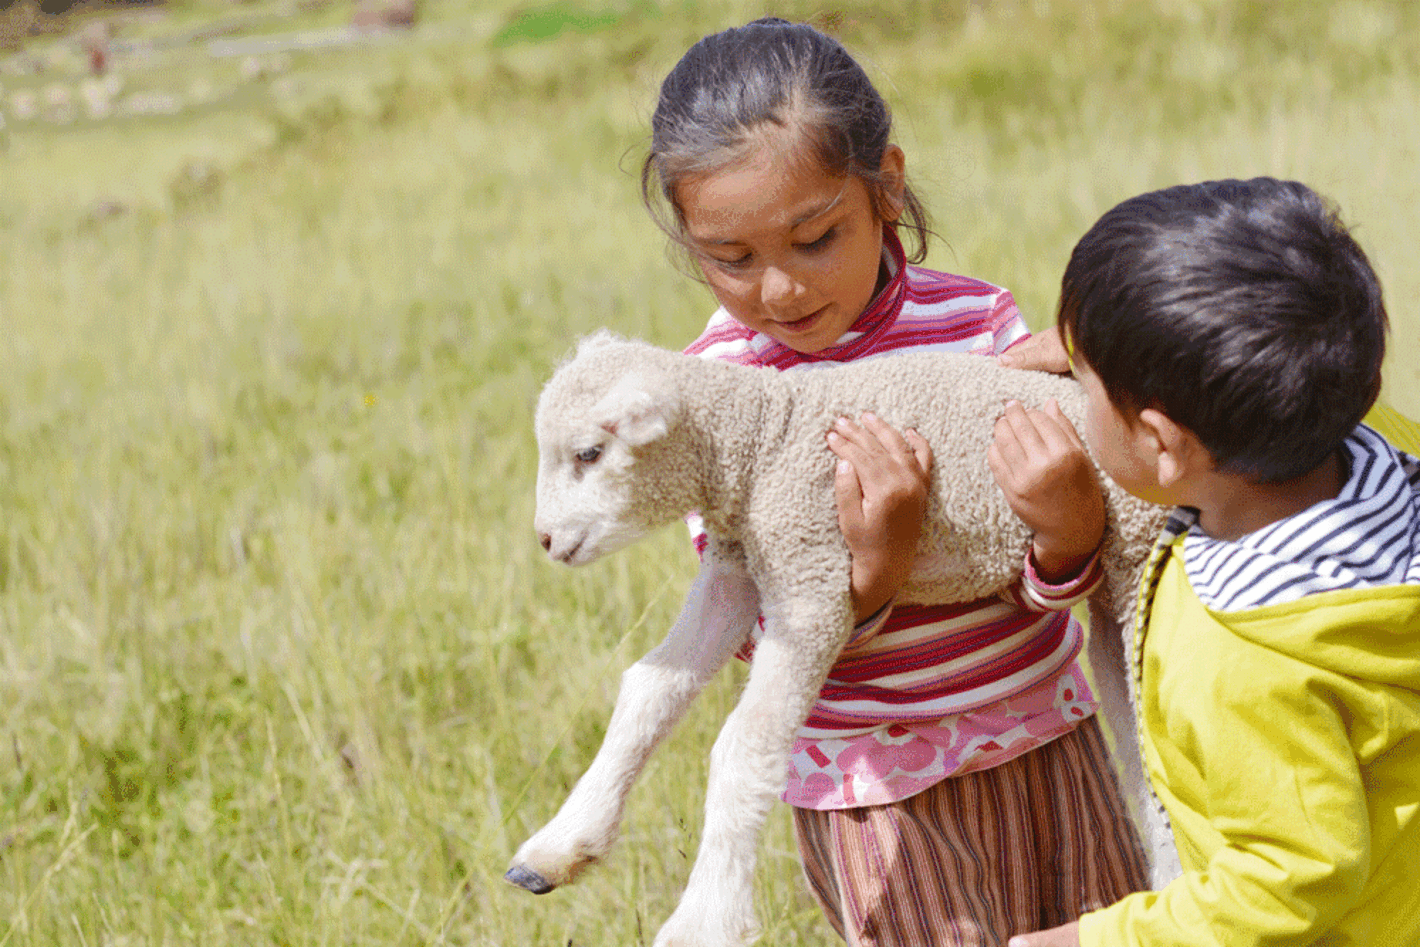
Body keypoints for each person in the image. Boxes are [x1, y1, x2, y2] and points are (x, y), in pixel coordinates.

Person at [640, 17, 1148, 945]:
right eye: (732, 259)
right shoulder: (711, 400)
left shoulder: (977, 322)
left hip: (1049, 734)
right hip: (874, 789)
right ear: (689, 238)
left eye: (816, 236)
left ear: (887, 188)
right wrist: (873, 568)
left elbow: (1042, 549)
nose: (780, 291)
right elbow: (748, 633)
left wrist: (1068, 535)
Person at [1002, 177, 1420, 947]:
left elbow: (1291, 876)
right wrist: (1106, 344)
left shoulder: (1245, 660)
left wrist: (1097, 939)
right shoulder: (1385, 444)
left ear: (1162, 444)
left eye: (1087, 382)